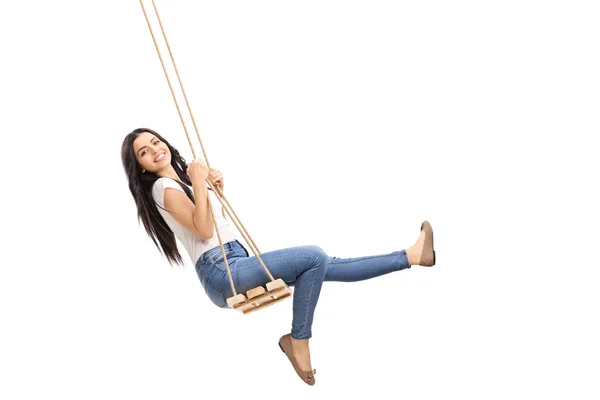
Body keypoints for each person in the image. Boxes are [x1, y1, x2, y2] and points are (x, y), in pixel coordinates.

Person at [121, 127, 436, 386]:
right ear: (140, 167)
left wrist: (212, 186)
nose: (154, 149)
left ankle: (410, 256)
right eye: (143, 152)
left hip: (234, 259)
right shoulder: (162, 187)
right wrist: (200, 182)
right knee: (314, 256)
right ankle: (299, 340)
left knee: (325, 264)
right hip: (221, 272)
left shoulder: (182, 181)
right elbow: (204, 232)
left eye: (155, 141)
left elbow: (210, 223)